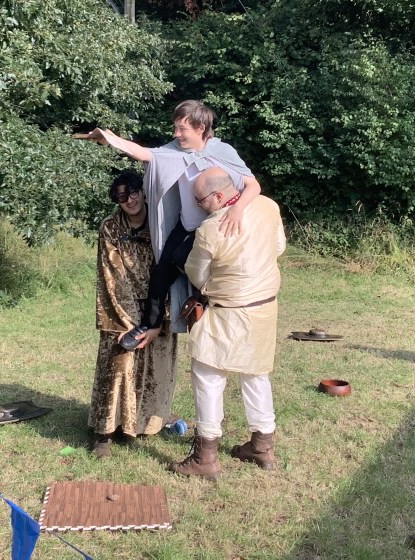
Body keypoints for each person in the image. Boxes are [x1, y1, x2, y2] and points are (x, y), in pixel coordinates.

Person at [84, 100, 260, 350]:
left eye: (182, 129)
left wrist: (237, 209)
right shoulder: (174, 151)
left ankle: (212, 320)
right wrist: (111, 139)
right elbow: (145, 153)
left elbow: (253, 185)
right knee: (162, 273)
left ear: (201, 128)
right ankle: (150, 324)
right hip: (188, 226)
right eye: (175, 128)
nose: (176, 134)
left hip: (217, 226)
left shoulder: (223, 151)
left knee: (213, 275)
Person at [169, 166, 286, 480]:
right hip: (264, 307)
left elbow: (197, 274)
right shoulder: (268, 206)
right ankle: (262, 446)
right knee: (256, 374)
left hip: (226, 311)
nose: (199, 206)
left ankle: (205, 457)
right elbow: (278, 248)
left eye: (201, 201)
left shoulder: (210, 228)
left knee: (208, 375)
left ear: (219, 196)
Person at [87, 171, 179, 458]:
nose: (130, 200)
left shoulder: (162, 221)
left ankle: (142, 424)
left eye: (134, 192)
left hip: (159, 306)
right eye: (122, 196)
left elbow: (172, 268)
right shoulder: (110, 226)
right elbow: (112, 275)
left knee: (155, 369)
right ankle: (104, 433)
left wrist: (157, 319)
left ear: (143, 191)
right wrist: (131, 322)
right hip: (120, 307)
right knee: (117, 368)